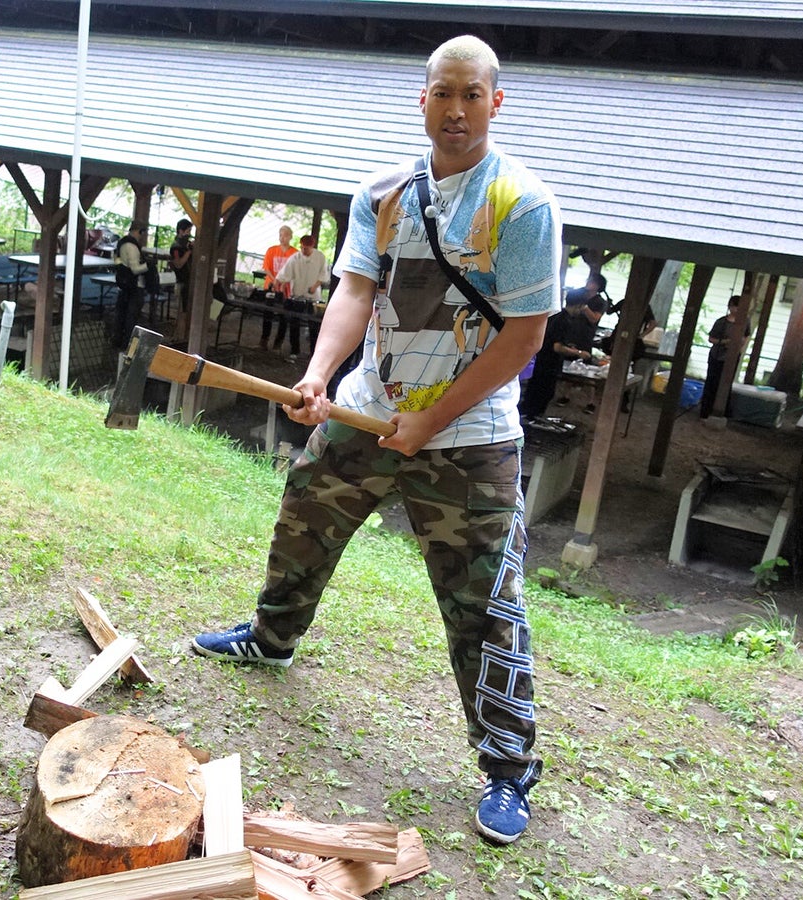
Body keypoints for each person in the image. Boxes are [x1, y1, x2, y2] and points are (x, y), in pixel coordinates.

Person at [192, 34, 559, 847]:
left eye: (472, 95)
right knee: (304, 521)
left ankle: (507, 765)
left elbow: (524, 337)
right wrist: (322, 374)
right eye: (442, 93)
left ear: (496, 103)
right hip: (367, 409)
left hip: (469, 436)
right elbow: (356, 289)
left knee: (486, 603)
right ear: (421, 98)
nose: (455, 110)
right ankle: (274, 636)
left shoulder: (522, 204)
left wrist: (432, 420)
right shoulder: (383, 192)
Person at [518, 287, 604, 420]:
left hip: (540, 361)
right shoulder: (564, 321)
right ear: (579, 306)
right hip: (548, 363)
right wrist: (579, 353)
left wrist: (569, 347)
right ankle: (531, 421)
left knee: (534, 393)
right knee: (542, 395)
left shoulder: (556, 315)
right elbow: (557, 347)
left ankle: (530, 419)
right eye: (582, 307)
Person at [268, 234, 329, 359]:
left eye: (306, 248)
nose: (303, 251)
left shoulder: (320, 257)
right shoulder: (295, 258)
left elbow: (324, 275)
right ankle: (294, 350)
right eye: (302, 248)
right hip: (298, 295)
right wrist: (277, 282)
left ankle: (314, 353)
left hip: (314, 297)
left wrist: (315, 285)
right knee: (294, 323)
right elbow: (285, 273)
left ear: (312, 246)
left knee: (314, 326)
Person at [700, 294, 747, 419]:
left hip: (732, 357)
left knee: (726, 384)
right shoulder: (721, 322)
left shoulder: (745, 322)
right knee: (712, 382)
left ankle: (724, 412)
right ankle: (705, 411)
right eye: (734, 306)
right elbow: (711, 339)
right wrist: (726, 342)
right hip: (717, 355)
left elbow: (746, 336)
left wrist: (740, 347)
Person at [110, 222, 149, 348]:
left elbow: (117, 261)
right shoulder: (132, 246)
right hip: (134, 286)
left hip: (123, 285)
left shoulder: (121, 243)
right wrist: (148, 265)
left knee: (122, 314)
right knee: (131, 317)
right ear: (139, 232)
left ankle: (118, 340)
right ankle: (128, 344)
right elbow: (135, 269)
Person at [259, 225, 298, 350]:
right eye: (281, 235)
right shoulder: (271, 250)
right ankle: (264, 339)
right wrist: (275, 280)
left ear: (290, 237)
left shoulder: (294, 253)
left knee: (284, 316)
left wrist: (284, 282)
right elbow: (267, 268)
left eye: (285, 235)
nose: (282, 238)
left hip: (286, 289)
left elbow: (294, 272)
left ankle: (278, 342)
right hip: (271, 286)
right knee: (267, 313)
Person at [169, 218, 194, 317]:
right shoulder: (175, 247)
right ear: (181, 231)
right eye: (188, 231)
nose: (189, 234)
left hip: (189, 280)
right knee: (183, 311)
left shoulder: (185, 245)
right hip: (182, 281)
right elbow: (178, 264)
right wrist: (189, 252)